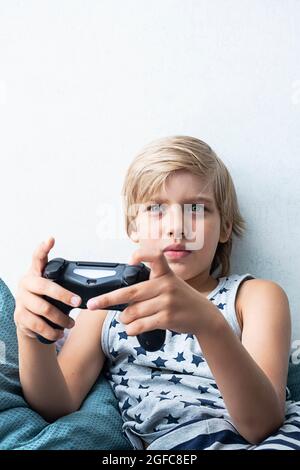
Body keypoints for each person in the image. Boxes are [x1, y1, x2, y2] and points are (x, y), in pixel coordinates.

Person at [14, 136, 300, 450]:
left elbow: (262, 425)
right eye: (155, 208)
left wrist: (210, 325)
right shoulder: (106, 308)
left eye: (197, 209)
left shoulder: (254, 297)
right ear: (132, 227)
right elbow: (57, 404)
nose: (176, 227)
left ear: (225, 227)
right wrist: (33, 335)